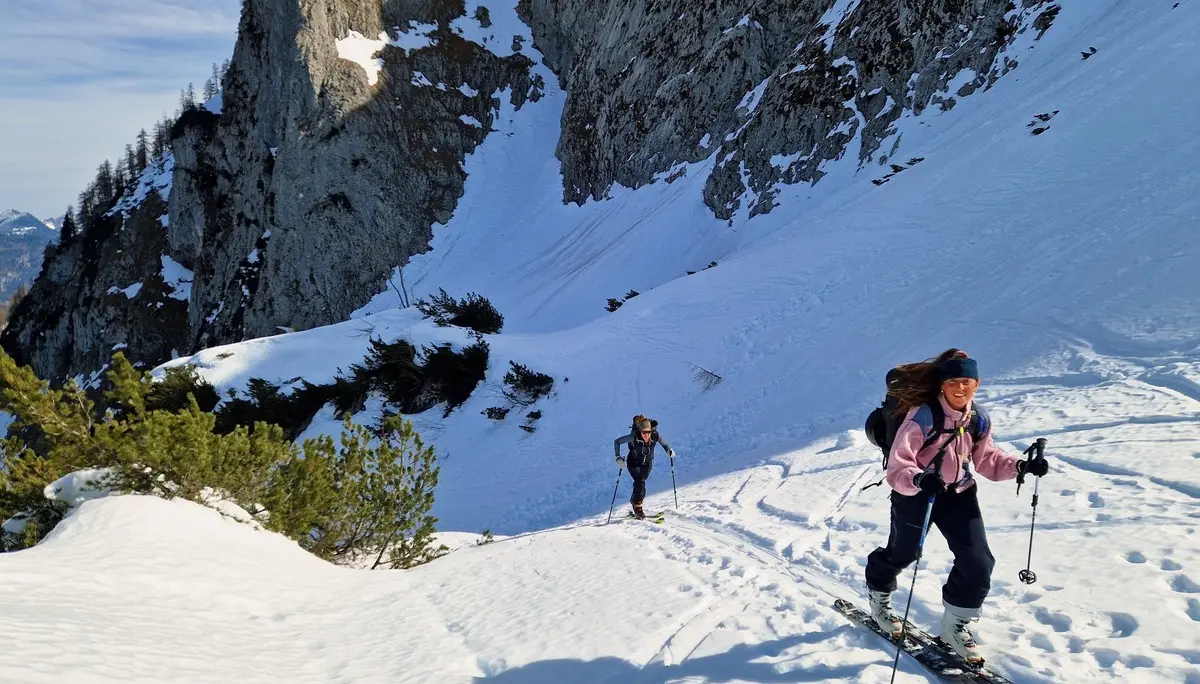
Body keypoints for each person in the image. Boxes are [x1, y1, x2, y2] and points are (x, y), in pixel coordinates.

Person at [864, 349, 1049, 663]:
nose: (960, 388)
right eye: (953, 382)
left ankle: (954, 627)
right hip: (917, 494)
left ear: (977, 383)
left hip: (959, 493)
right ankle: (879, 598)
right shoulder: (922, 416)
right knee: (903, 553)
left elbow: (986, 459)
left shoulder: (978, 418)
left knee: (978, 562)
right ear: (942, 385)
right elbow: (898, 467)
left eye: (967, 381)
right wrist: (920, 480)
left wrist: (1020, 467)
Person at [613, 415, 675, 519]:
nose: (646, 435)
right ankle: (638, 508)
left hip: (647, 464)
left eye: (648, 432)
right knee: (640, 481)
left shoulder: (655, 435)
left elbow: (664, 444)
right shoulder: (634, 437)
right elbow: (617, 442)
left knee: (642, 483)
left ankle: (634, 500)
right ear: (640, 431)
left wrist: (669, 450)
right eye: (644, 432)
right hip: (633, 463)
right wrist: (617, 457)